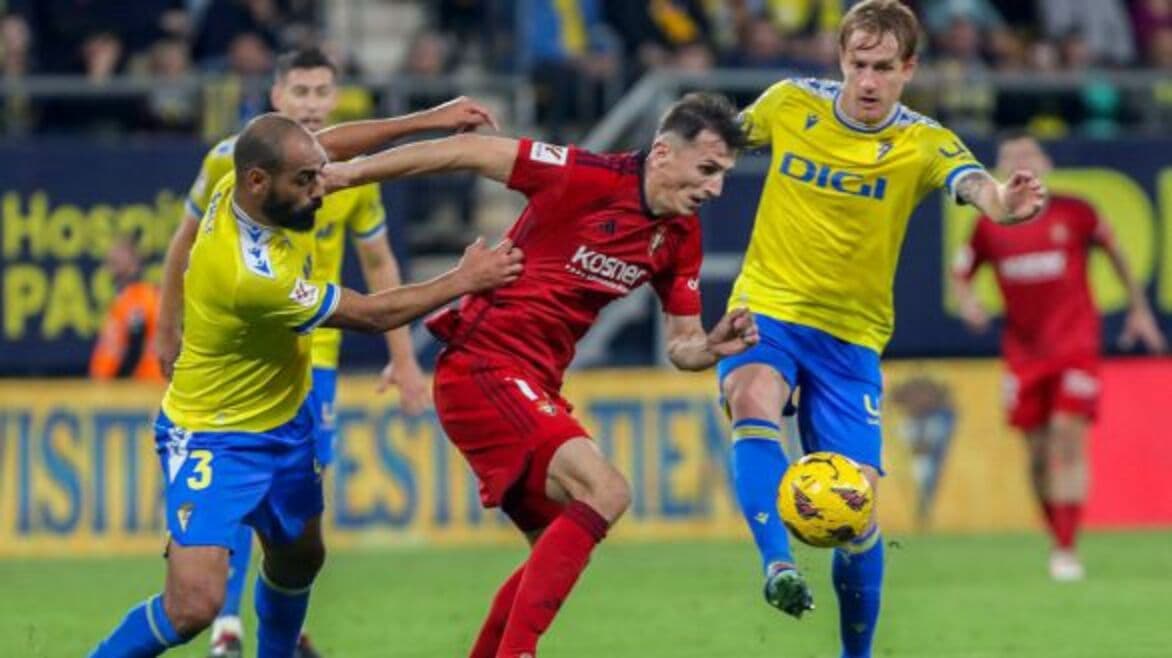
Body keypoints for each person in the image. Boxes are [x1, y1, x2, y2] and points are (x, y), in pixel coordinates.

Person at [323, 92, 759, 658]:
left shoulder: (680, 237)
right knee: (606, 489)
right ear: (661, 154)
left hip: (532, 383)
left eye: (723, 174)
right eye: (707, 169)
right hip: (484, 362)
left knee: (552, 550)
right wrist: (351, 173)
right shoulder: (583, 176)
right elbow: (471, 150)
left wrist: (711, 349)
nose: (715, 189)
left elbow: (682, 344)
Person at [86, 112, 523, 658]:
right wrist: (464, 280)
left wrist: (433, 118)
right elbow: (369, 314)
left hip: (286, 424)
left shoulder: (243, 181)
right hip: (212, 436)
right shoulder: (250, 276)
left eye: (317, 175)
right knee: (193, 606)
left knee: (299, 559)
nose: (321, 190)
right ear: (259, 183)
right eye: (306, 181)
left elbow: (330, 146)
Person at [716, 1, 1047, 656]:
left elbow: (975, 183)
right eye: (857, 65)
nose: (867, 82)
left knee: (856, 514)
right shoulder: (788, 104)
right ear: (841, 60)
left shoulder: (923, 141)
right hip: (769, 308)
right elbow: (721, 139)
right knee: (750, 398)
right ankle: (777, 564)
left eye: (883, 68)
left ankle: (856, 654)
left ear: (909, 68)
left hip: (851, 341)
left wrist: (1005, 205)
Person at [951, 132, 1167, 581]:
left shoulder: (1077, 212)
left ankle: (1067, 548)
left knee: (1067, 439)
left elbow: (1118, 254)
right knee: (1035, 455)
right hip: (1023, 354)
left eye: (1028, 154)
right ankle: (1058, 537)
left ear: (1047, 165)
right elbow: (962, 271)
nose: (1019, 162)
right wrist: (967, 300)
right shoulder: (990, 225)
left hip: (1075, 348)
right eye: (1010, 156)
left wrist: (1139, 309)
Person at [89, 236, 164, 382]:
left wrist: (119, 382)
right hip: (126, 387)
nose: (113, 260)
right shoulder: (127, 297)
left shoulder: (140, 296)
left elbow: (135, 345)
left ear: (135, 263)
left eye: (121, 255)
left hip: (139, 386)